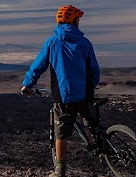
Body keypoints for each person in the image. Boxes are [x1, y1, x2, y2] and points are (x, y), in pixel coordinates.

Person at [19, 5, 101, 177]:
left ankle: (59, 170)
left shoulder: (52, 42)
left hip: (63, 96)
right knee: (92, 122)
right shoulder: (84, 42)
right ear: (75, 21)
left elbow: (38, 66)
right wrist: (92, 86)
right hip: (84, 93)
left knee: (61, 134)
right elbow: (94, 70)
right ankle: (103, 146)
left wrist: (28, 84)